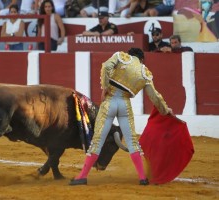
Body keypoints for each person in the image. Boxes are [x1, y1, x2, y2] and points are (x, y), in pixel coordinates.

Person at [69, 47, 173, 186]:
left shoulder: (121, 57)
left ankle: (82, 176)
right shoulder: (145, 72)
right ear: (142, 59)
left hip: (109, 102)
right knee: (132, 142)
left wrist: (105, 87)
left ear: (129, 55)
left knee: (97, 140)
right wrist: (166, 110)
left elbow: (106, 66)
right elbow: (155, 97)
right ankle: (142, 178)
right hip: (125, 105)